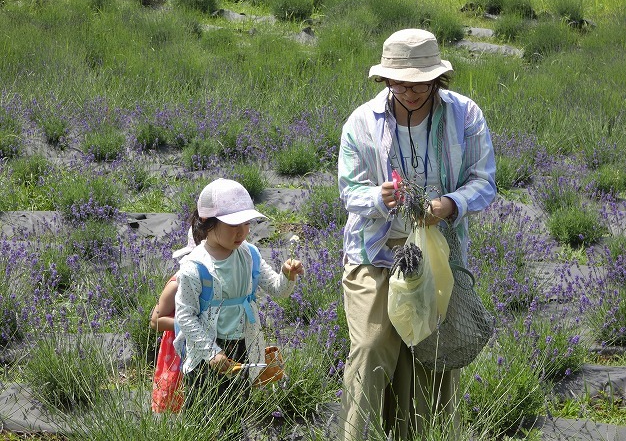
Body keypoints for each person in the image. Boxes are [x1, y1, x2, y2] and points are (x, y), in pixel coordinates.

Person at [337, 29, 496, 440]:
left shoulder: (465, 115)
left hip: (436, 250)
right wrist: (378, 196)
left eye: (419, 83)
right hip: (374, 251)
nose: (408, 91)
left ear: (437, 79)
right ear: (385, 79)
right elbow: (348, 190)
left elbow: (484, 181)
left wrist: (448, 205)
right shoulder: (361, 123)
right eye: (399, 82)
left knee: (429, 358)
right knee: (373, 347)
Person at [173, 178, 303, 416]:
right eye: (233, 225)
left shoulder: (250, 254)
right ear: (207, 223)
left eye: (246, 223)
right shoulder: (195, 266)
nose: (242, 232)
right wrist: (212, 352)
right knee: (204, 415)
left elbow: (278, 290)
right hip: (207, 353)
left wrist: (287, 275)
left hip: (242, 345)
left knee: (236, 412)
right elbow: (185, 315)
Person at [149, 228, 196, 414]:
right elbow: (155, 321)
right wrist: (187, 323)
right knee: (178, 396)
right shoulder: (177, 283)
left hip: (203, 345)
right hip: (179, 348)